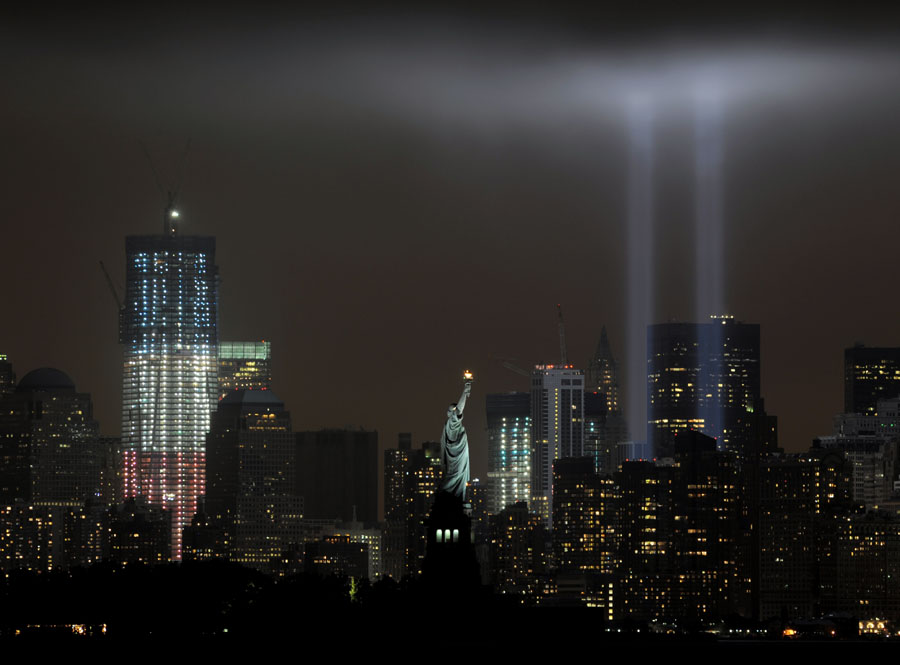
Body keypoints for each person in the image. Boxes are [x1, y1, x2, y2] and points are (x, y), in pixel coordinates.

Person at [440, 378, 472, 500]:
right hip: (453, 456)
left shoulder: (452, 422)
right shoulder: (450, 423)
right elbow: (459, 408)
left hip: (458, 455)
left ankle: (452, 499)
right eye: (451, 411)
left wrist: (465, 391)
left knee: (458, 477)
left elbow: (459, 408)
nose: (453, 413)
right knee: (455, 476)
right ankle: (448, 497)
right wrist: (465, 391)